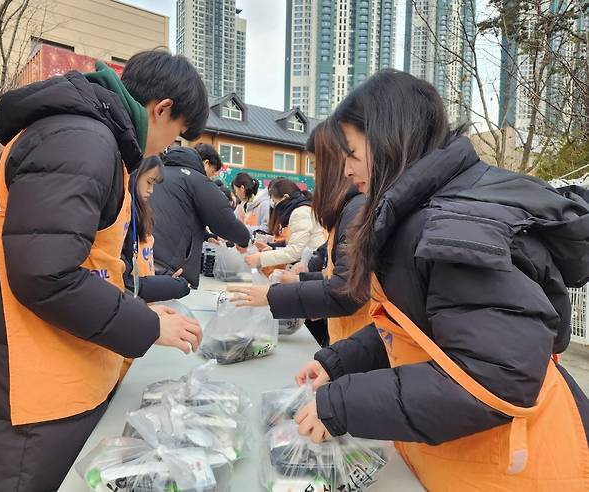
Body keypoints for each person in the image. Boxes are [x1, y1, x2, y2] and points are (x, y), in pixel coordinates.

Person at [293, 70, 589, 490]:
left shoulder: (455, 227)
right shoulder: (423, 215)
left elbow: (494, 379)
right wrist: (338, 363)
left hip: (523, 468)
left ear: (389, 140)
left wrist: (341, 404)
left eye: (352, 152)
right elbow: (419, 331)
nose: (344, 169)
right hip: (462, 459)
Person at [0, 50, 207, 491]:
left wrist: (140, 309)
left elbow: (85, 265)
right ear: (163, 109)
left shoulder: (89, 137)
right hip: (24, 396)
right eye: (176, 137)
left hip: (41, 379)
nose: (168, 150)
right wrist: (146, 323)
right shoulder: (83, 140)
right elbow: (47, 273)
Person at [230, 121, 370, 345]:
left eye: (315, 167)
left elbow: (345, 290)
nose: (315, 177)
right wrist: (300, 281)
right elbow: (336, 272)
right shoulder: (346, 210)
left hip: (354, 339)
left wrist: (271, 295)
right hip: (345, 338)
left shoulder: (355, 211)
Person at [150, 145, 250, 288]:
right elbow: (224, 221)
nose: (212, 176)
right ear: (205, 163)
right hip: (167, 264)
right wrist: (244, 240)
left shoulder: (160, 172)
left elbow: (177, 217)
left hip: (144, 254)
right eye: (213, 171)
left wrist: (206, 236)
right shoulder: (197, 179)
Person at [122, 156, 190, 302]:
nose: (151, 190)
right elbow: (127, 282)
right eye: (148, 182)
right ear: (134, 174)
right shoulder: (123, 216)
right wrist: (171, 286)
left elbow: (143, 267)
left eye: (153, 184)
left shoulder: (141, 214)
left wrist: (165, 277)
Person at [244, 178, 325, 271]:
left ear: (285, 197)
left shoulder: (300, 212)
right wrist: (273, 248)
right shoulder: (302, 209)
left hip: (313, 267)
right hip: (309, 264)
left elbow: (295, 252)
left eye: (275, 201)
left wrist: (261, 258)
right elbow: (297, 245)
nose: (275, 207)